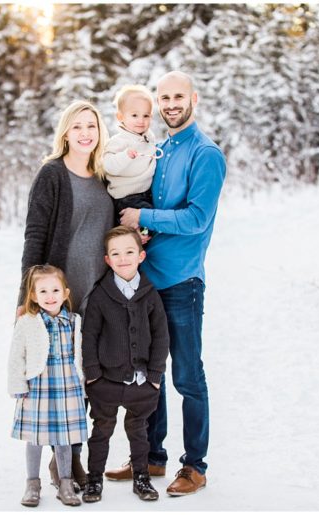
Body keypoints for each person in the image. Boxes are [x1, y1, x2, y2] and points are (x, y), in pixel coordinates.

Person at [111, 71, 226, 496]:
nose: (170, 103)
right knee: (148, 374)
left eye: (178, 96)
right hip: (146, 283)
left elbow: (197, 220)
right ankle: (152, 458)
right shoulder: (157, 149)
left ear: (193, 98)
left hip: (182, 282)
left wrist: (144, 218)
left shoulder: (205, 154)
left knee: (188, 377)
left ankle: (194, 466)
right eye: (164, 97)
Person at [17, 100, 114, 490]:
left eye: (91, 126)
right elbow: (34, 235)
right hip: (60, 297)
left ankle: (74, 455)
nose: (85, 133)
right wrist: (26, 298)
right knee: (59, 380)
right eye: (77, 127)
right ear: (65, 133)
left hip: (99, 292)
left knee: (87, 377)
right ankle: (66, 464)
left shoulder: (106, 175)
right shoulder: (52, 175)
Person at [80, 226, 169, 503]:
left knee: (139, 433)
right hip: (105, 382)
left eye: (129, 252)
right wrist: (93, 375)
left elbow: (161, 336)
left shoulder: (149, 294)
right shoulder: (100, 295)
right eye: (115, 253)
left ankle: (141, 477)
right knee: (101, 432)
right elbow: (90, 335)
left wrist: (155, 376)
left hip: (141, 383)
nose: (123, 258)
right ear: (107, 259)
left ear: (141, 256)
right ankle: (94, 480)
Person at [8, 265, 87, 507]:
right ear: (33, 295)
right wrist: (18, 384)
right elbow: (16, 356)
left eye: (55, 290)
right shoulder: (27, 322)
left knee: (65, 438)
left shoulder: (74, 321)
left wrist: (85, 382)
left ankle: (65, 482)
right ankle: (32, 483)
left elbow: (81, 355)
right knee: (35, 438)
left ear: (65, 293)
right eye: (43, 291)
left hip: (67, 386)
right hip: (38, 387)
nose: (50, 296)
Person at [102, 85, 163, 230]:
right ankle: (140, 235)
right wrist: (125, 156)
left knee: (152, 216)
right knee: (145, 218)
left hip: (145, 193)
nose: (141, 121)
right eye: (134, 115)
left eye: (146, 115)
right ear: (121, 117)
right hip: (126, 196)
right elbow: (108, 165)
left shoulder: (148, 138)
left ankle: (141, 237)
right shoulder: (119, 141)